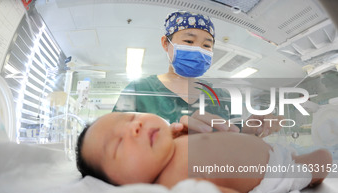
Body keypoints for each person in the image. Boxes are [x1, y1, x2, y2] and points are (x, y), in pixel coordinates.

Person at [76, 112, 331, 193]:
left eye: (131, 117)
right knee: (323, 159)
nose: (136, 126)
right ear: (119, 184)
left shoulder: (174, 140)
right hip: (277, 171)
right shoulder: (173, 185)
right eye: (119, 144)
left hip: (271, 147)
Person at [113, 10, 282, 137]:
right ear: (166, 43)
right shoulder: (140, 90)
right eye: (188, 41)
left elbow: (233, 139)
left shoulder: (221, 97)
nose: (198, 50)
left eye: (206, 45)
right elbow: (113, 142)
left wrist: (251, 129)